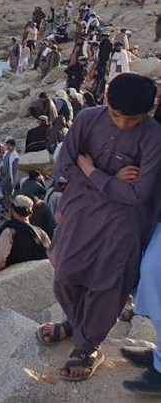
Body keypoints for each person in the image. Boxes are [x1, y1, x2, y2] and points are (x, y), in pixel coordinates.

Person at [40, 73, 161, 382]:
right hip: (81, 210)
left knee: (107, 284)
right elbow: (65, 165)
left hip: (123, 222)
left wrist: (91, 171)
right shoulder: (88, 118)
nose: (121, 123)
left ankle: (87, 347)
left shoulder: (153, 136)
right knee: (66, 273)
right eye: (116, 115)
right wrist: (110, 180)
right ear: (106, 100)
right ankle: (75, 322)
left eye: (130, 119)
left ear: (147, 112)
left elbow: (138, 194)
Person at [0, 195, 50, 274]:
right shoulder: (41, 233)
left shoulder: (9, 232)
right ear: (30, 214)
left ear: (13, 211)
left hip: (13, 277)